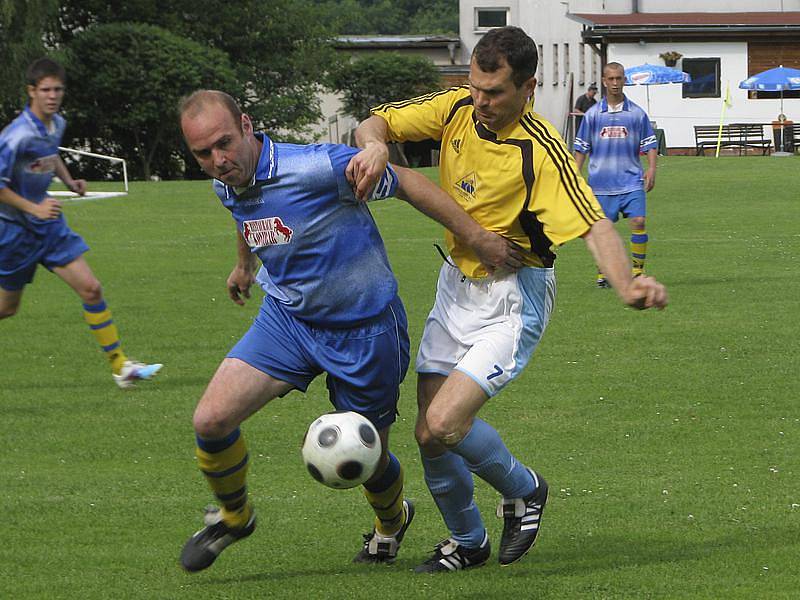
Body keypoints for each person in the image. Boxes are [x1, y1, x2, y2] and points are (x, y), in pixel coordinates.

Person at [347, 26, 668, 573]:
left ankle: (525, 490)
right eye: (474, 87)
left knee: (446, 423)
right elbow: (374, 120)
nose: (480, 102)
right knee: (428, 435)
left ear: (529, 88)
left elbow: (593, 225)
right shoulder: (454, 109)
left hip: (513, 298)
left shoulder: (541, 151)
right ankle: (467, 542)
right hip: (455, 286)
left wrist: (626, 284)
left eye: (494, 93)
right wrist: (375, 143)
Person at [177, 90, 516, 572]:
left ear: (247, 125)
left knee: (367, 457)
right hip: (288, 320)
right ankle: (234, 516)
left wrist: (478, 238)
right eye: (202, 154)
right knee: (210, 420)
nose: (218, 161)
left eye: (224, 144)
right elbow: (247, 213)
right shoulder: (226, 182)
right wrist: (243, 265)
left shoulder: (317, 166)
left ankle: (391, 522)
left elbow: (409, 184)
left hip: (365, 331)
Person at [0, 57, 162, 388]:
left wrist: (70, 181)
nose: (53, 96)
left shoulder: (56, 124)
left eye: (58, 89)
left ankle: (121, 367)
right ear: (31, 91)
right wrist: (33, 209)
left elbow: (51, 154)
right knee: (6, 308)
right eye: (45, 90)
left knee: (91, 288)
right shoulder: (14, 136)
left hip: (49, 226)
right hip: (14, 232)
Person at [574, 62, 658, 288]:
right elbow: (581, 148)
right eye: (610, 79)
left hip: (631, 181)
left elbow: (650, 143)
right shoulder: (592, 115)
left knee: (639, 221)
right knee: (603, 231)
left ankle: (638, 272)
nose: (615, 83)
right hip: (601, 184)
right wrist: (573, 177)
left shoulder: (637, 114)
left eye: (619, 78)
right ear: (604, 81)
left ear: (624, 80)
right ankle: (604, 272)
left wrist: (651, 168)